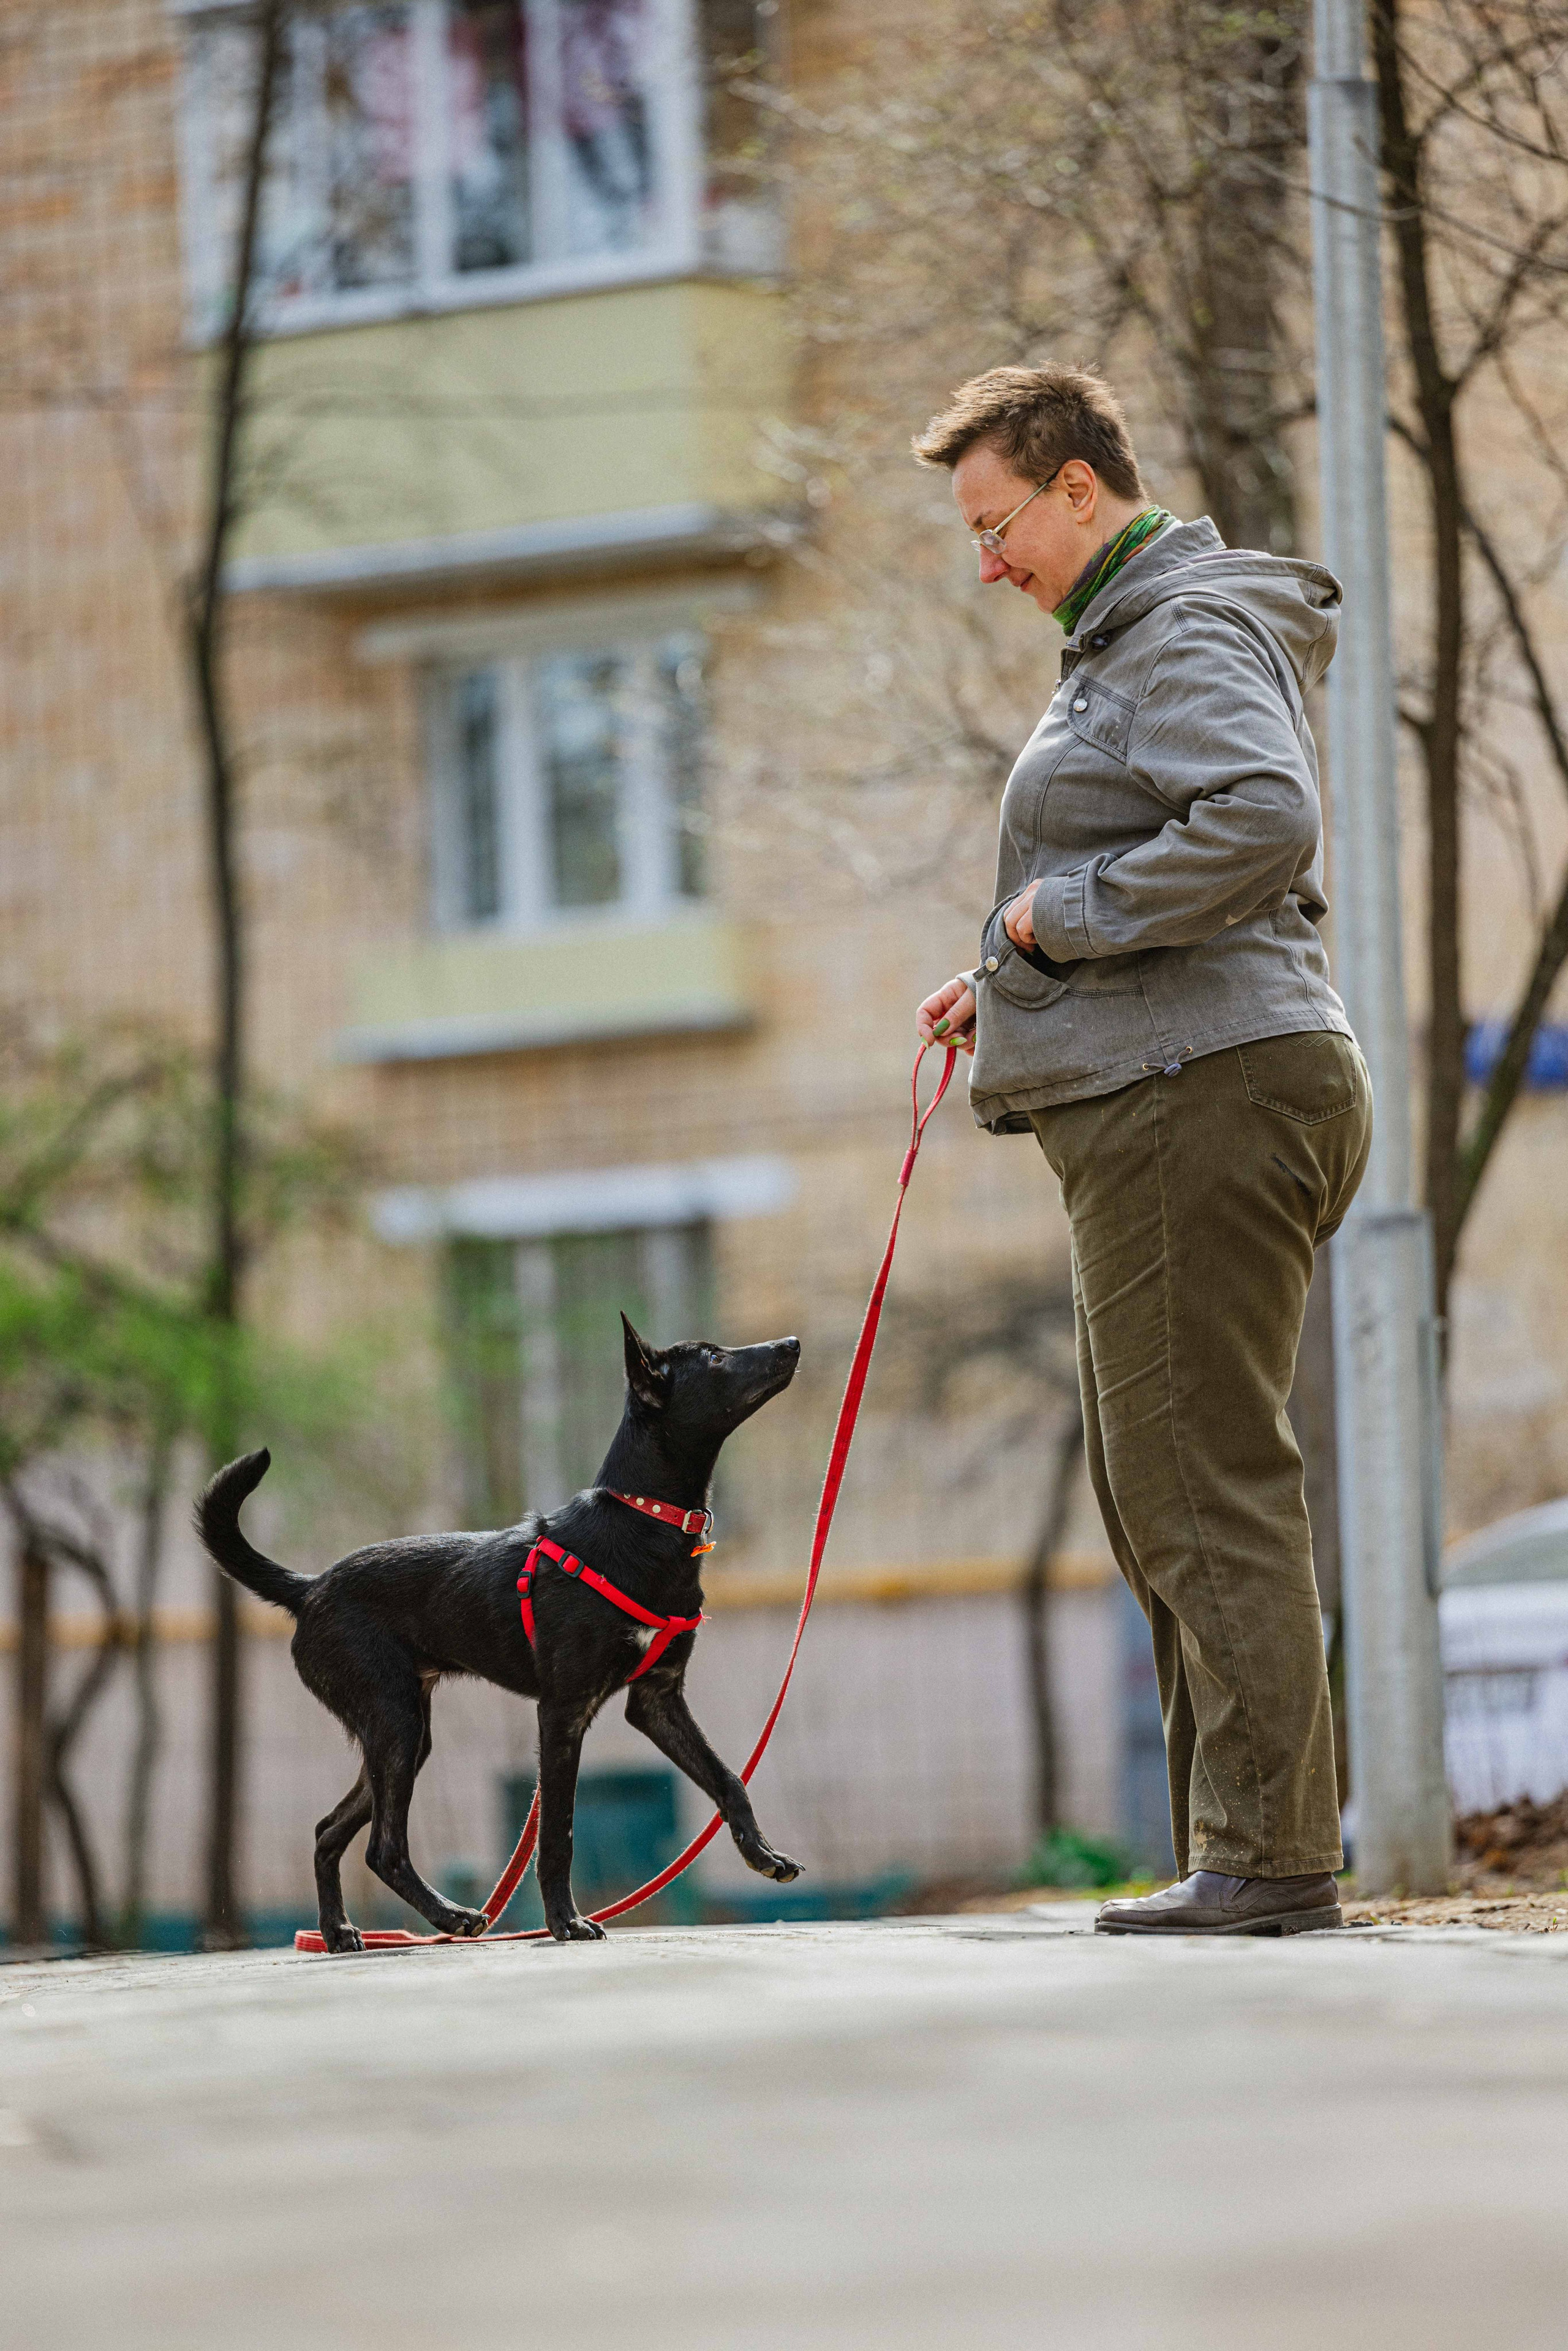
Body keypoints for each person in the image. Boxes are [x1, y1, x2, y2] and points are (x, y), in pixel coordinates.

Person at [913, 364, 1371, 1936]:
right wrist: (1003, 981)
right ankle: (1236, 1846)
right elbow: (1158, 850)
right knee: (1159, 1484)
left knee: (1201, 1483)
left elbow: (1259, 813)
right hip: (1183, 1074)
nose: (988, 561)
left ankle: (1268, 1858)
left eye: (995, 525)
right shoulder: (1124, 636)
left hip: (1207, 1088)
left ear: (1076, 488)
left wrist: (1059, 916)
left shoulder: (1171, 627)